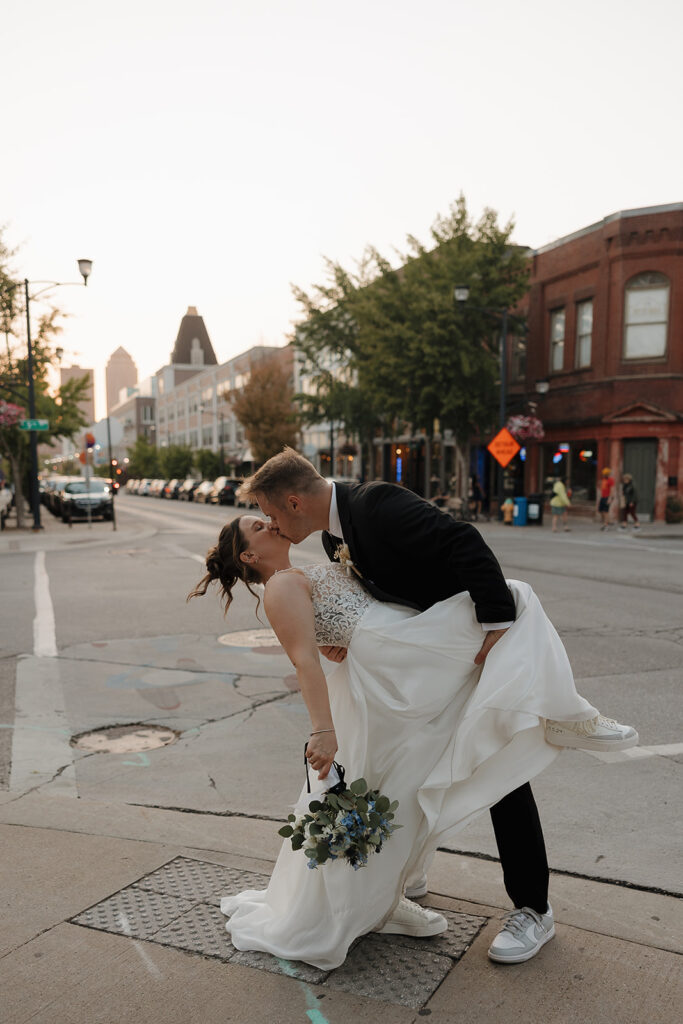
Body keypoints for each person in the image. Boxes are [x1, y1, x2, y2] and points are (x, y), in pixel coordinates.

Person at [193, 449, 637, 969]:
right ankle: (389, 891)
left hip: (415, 652)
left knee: (512, 614)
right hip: (396, 674)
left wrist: (489, 622)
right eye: (258, 523)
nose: (268, 522)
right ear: (248, 555)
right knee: (409, 781)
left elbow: (458, 544)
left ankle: (571, 723)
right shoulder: (315, 555)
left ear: (293, 501)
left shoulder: (370, 509)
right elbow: (307, 660)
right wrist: (324, 720)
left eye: (266, 512)